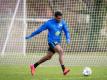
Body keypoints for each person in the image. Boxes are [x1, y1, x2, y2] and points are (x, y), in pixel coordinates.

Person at [26, 11, 71, 76]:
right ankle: (64, 69)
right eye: (58, 18)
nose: (59, 19)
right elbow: (39, 30)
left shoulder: (63, 22)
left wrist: (68, 38)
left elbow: (66, 31)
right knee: (61, 51)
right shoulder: (49, 23)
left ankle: (34, 66)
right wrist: (31, 35)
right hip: (51, 42)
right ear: (55, 17)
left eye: (60, 18)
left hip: (57, 42)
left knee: (48, 57)